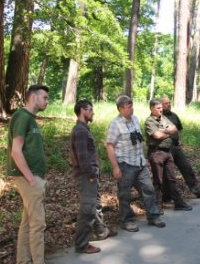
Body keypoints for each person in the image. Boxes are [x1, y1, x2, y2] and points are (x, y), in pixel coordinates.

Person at [7, 85, 50, 264]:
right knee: (37, 224)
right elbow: (16, 151)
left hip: (33, 177)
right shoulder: (22, 116)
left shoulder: (30, 119)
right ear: (32, 97)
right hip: (28, 178)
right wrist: (31, 179)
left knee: (26, 223)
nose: (47, 101)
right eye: (44, 97)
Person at [105, 95, 165, 232]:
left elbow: (139, 141)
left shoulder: (135, 119)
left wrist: (143, 160)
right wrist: (115, 167)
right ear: (120, 109)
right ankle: (127, 221)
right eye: (129, 107)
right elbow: (109, 146)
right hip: (125, 165)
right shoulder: (115, 124)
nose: (132, 109)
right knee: (125, 194)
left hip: (139, 163)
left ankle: (154, 216)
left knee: (148, 189)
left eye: (132, 106)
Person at [70, 100, 117, 255]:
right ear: (83, 110)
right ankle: (82, 244)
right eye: (91, 109)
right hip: (86, 175)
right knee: (87, 209)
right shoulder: (81, 131)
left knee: (95, 204)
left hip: (90, 174)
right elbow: (82, 157)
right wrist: (90, 175)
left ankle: (102, 231)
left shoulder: (83, 129)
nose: (93, 112)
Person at [145, 99, 193, 212]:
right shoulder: (150, 121)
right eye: (158, 108)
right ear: (152, 109)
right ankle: (157, 205)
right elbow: (157, 135)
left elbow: (175, 129)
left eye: (161, 107)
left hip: (167, 152)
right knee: (158, 181)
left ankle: (178, 202)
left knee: (171, 178)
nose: (161, 110)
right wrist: (167, 131)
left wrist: (164, 131)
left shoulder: (164, 118)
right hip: (156, 152)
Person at [160, 96, 200, 199]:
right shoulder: (158, 117)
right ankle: (166, 198)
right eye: (166, 103)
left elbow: (179, 129)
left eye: (169, 102)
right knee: (168, 174)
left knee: (187, 168)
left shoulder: (174, 116)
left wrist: (179, 139)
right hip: (165, 149)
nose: (169, 104)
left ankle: (197, 191)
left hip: (176, 147)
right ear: (161, 105)